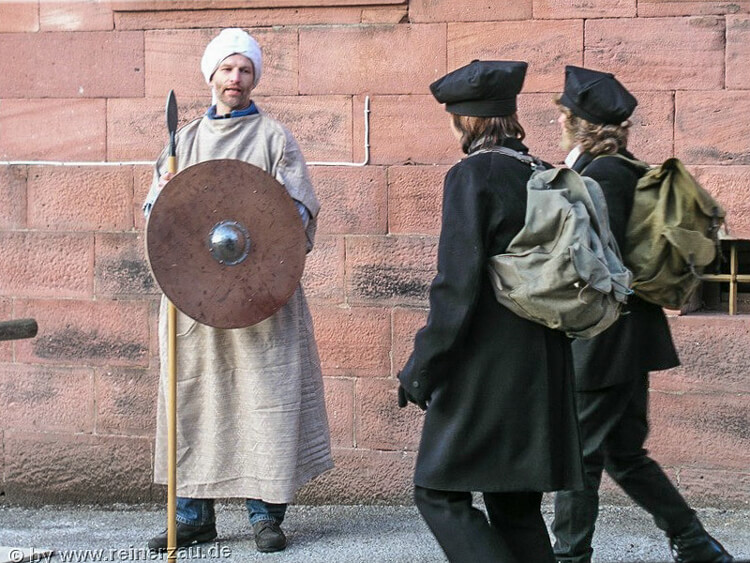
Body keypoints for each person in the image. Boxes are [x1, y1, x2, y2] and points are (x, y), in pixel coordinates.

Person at [143, 28, 333, 553]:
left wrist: (269, 228)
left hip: (261, 297)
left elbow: (298, 214)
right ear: (211, 76)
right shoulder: (182, 143)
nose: (236, 79)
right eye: (227, 69)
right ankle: (192, 516)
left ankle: (265, 515)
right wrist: (164, 198)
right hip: (195, 300)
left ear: (254, 78)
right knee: (194, 400)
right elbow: (158, 219)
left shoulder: (274, 138)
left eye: (245, 70)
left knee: (264, 399)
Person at [397, 59, 585, 563]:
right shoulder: (543, 172)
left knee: (437, 493)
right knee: (515, 508)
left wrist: (420, 369)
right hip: (542, 362)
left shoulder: (471, 175)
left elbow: (455, 288)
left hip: (485, 367)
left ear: (464, 121)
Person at [551, 65, 734, 563]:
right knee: (624, 453)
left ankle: (569, 557)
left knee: (582, 456)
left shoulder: (602, 174)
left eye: (562, 115)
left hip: (606, 338)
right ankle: (696, 543)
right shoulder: (623, 167)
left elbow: (594, 260)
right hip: (630, 335)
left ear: (572, 120)